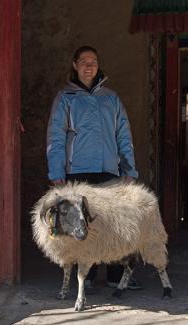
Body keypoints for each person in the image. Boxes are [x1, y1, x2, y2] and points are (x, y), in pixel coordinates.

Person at [46, 45, 142, 293]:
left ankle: (115, 274)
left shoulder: (111, 98)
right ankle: (83, 278)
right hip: (76, 171)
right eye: (84, 61)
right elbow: (55, 138)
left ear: (98, 66)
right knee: (79, 224)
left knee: (111, 223)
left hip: (108, 169)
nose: (89, 66)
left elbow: (123, 135)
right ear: (75, 65)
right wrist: (57, 173)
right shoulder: (65, 98)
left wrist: (129, 169)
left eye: (94, 61)